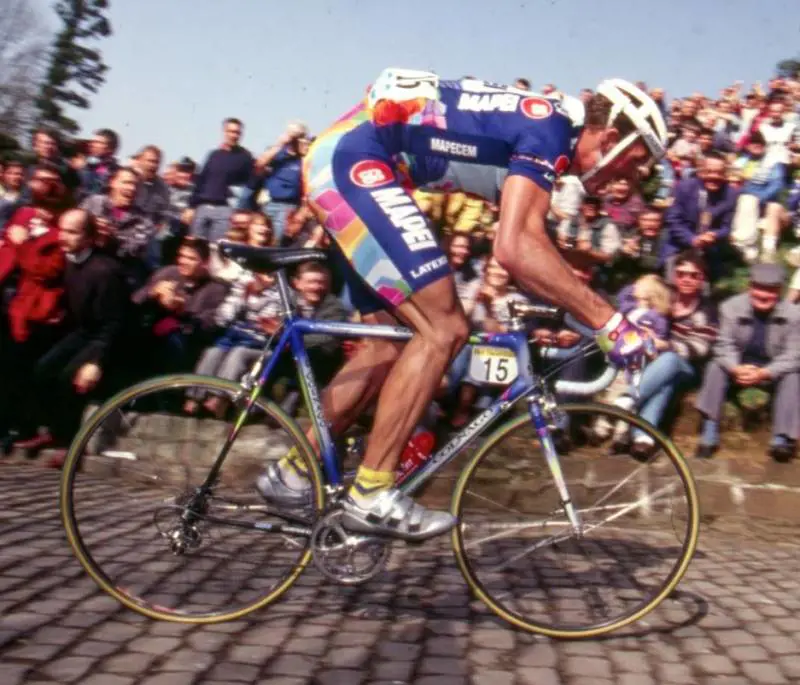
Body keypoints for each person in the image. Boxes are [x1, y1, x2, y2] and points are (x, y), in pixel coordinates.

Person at [256, 69, 668, 541]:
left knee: (389, 346)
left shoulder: (547, 134)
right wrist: (612, 323)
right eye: (637, 162)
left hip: (344, 161)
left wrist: (587, 316)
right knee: (444, 328)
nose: (635, 179)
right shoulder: (550, 128)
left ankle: (294, 473)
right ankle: (371, 494)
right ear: (610, 138)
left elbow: (539, 257)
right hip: (359, 164)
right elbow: (515, 248)